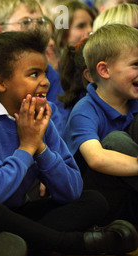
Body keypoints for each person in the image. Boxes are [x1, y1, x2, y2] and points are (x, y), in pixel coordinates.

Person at [0, 30, 138, 256]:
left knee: (93, 201)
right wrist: (26, 148)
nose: (45, 81)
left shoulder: (40, 118)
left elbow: (72, 191)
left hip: (12, 214)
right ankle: (74, 243)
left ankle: (3, 245)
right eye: (34, 74)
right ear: (0, 82)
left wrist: (41, 148)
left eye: (45, 72)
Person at [63, 24, 138, 225]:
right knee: (116, 141)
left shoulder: (133, 102)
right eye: (136, 64)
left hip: (128, 198)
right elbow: (96, 158)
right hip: (94, 201)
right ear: (104, 70)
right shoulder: (85, 109)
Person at [0, 0, 66, 115]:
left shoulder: (48, 73)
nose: (36, 29)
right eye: (25, 22)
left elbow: (58, 121)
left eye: (40, 22)